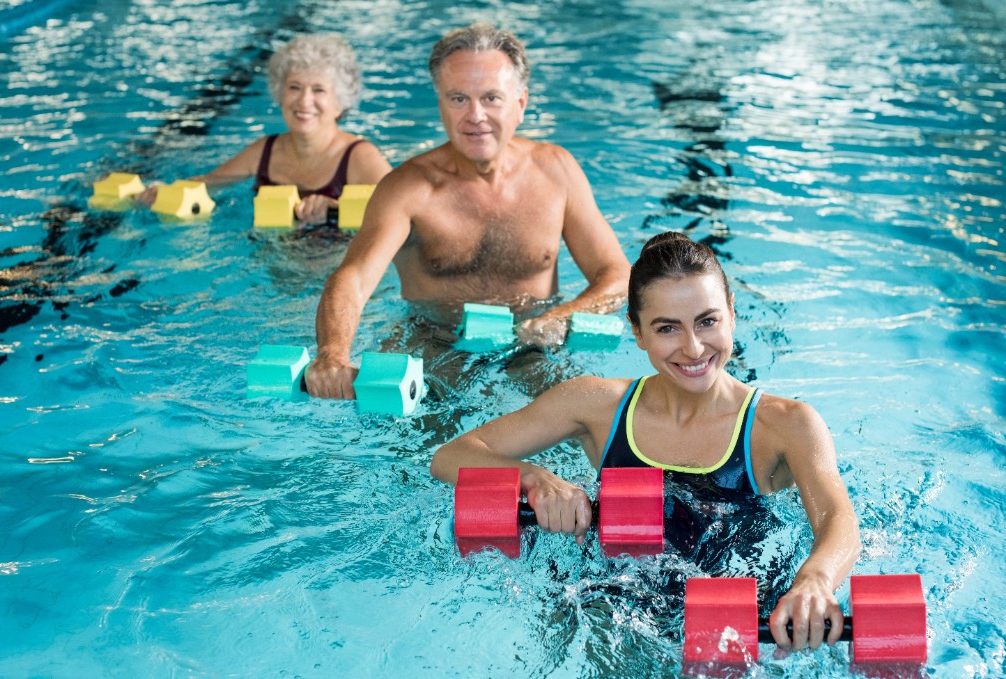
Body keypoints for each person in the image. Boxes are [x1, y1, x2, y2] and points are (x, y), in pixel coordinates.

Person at [430, 231, 862, 654]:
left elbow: (837, 519)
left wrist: (815, 580)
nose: (694, 348)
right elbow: (451, 456)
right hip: (616, 611)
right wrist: (535, 478)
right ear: (637, 332)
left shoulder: (785, 425)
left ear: (732, 313)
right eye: (667, 328)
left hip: (739, 623)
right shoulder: (596, 406)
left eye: (708, 321)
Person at [304, 23, 630, 399]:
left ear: (520, 103)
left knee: (581, 415)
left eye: (491, 98)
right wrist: (332, 353)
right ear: (440, 105)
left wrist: (561, 316)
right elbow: (354, 279)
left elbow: (618, 275)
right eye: (458, 98)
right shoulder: (406, 189)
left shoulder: (557, 172)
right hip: (436, 343)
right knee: (430, 433)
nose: (475, 115)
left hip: (534, 344)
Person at [138, 34, 391, 223]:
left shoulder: (359, 157)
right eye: (294, 87)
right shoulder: (264, 152)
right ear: (280, 93)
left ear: (340, 103)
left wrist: (336, 207)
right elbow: (208, 183)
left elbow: (403, 213)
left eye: (319, 90)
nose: (304, 101)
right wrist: (160, 192)